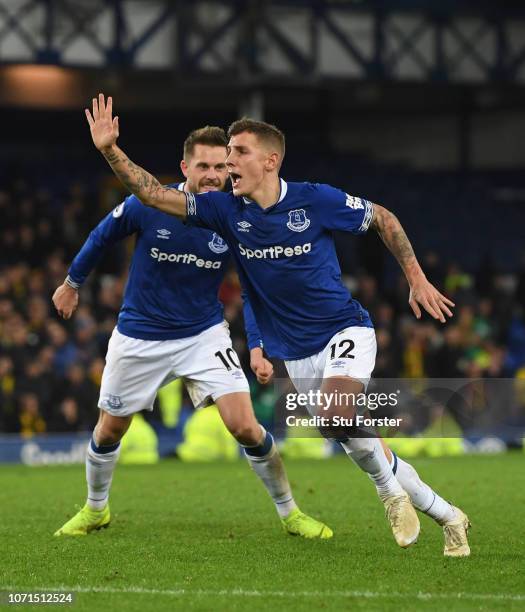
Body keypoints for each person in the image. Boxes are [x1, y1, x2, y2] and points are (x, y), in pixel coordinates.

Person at [84, 94, 471, 557]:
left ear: (270, 160)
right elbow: (151, 193)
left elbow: (383, 219)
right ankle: (449, 515)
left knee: (336, 417)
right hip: (298, 352)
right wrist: (110, 149)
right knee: (360, 444)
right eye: (227, 156)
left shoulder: (316, 200)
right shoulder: (226, 212)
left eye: (239, 154)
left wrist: (415, 278)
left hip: (345, 330)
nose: (229, 165)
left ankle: (390, 496)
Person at [53, 125, 332, 540]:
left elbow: (254, 287)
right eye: (203, 165)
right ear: (186, 167)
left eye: (221, 166)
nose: (212, 174)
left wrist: (256, 345)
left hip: (203, 335)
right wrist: (72, 283)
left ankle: (291, 513)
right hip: (140, 334)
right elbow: (100, 237)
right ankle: (95, 509)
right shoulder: (150, 205)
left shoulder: (235, 215)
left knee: (245, 427)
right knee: (110, 429)